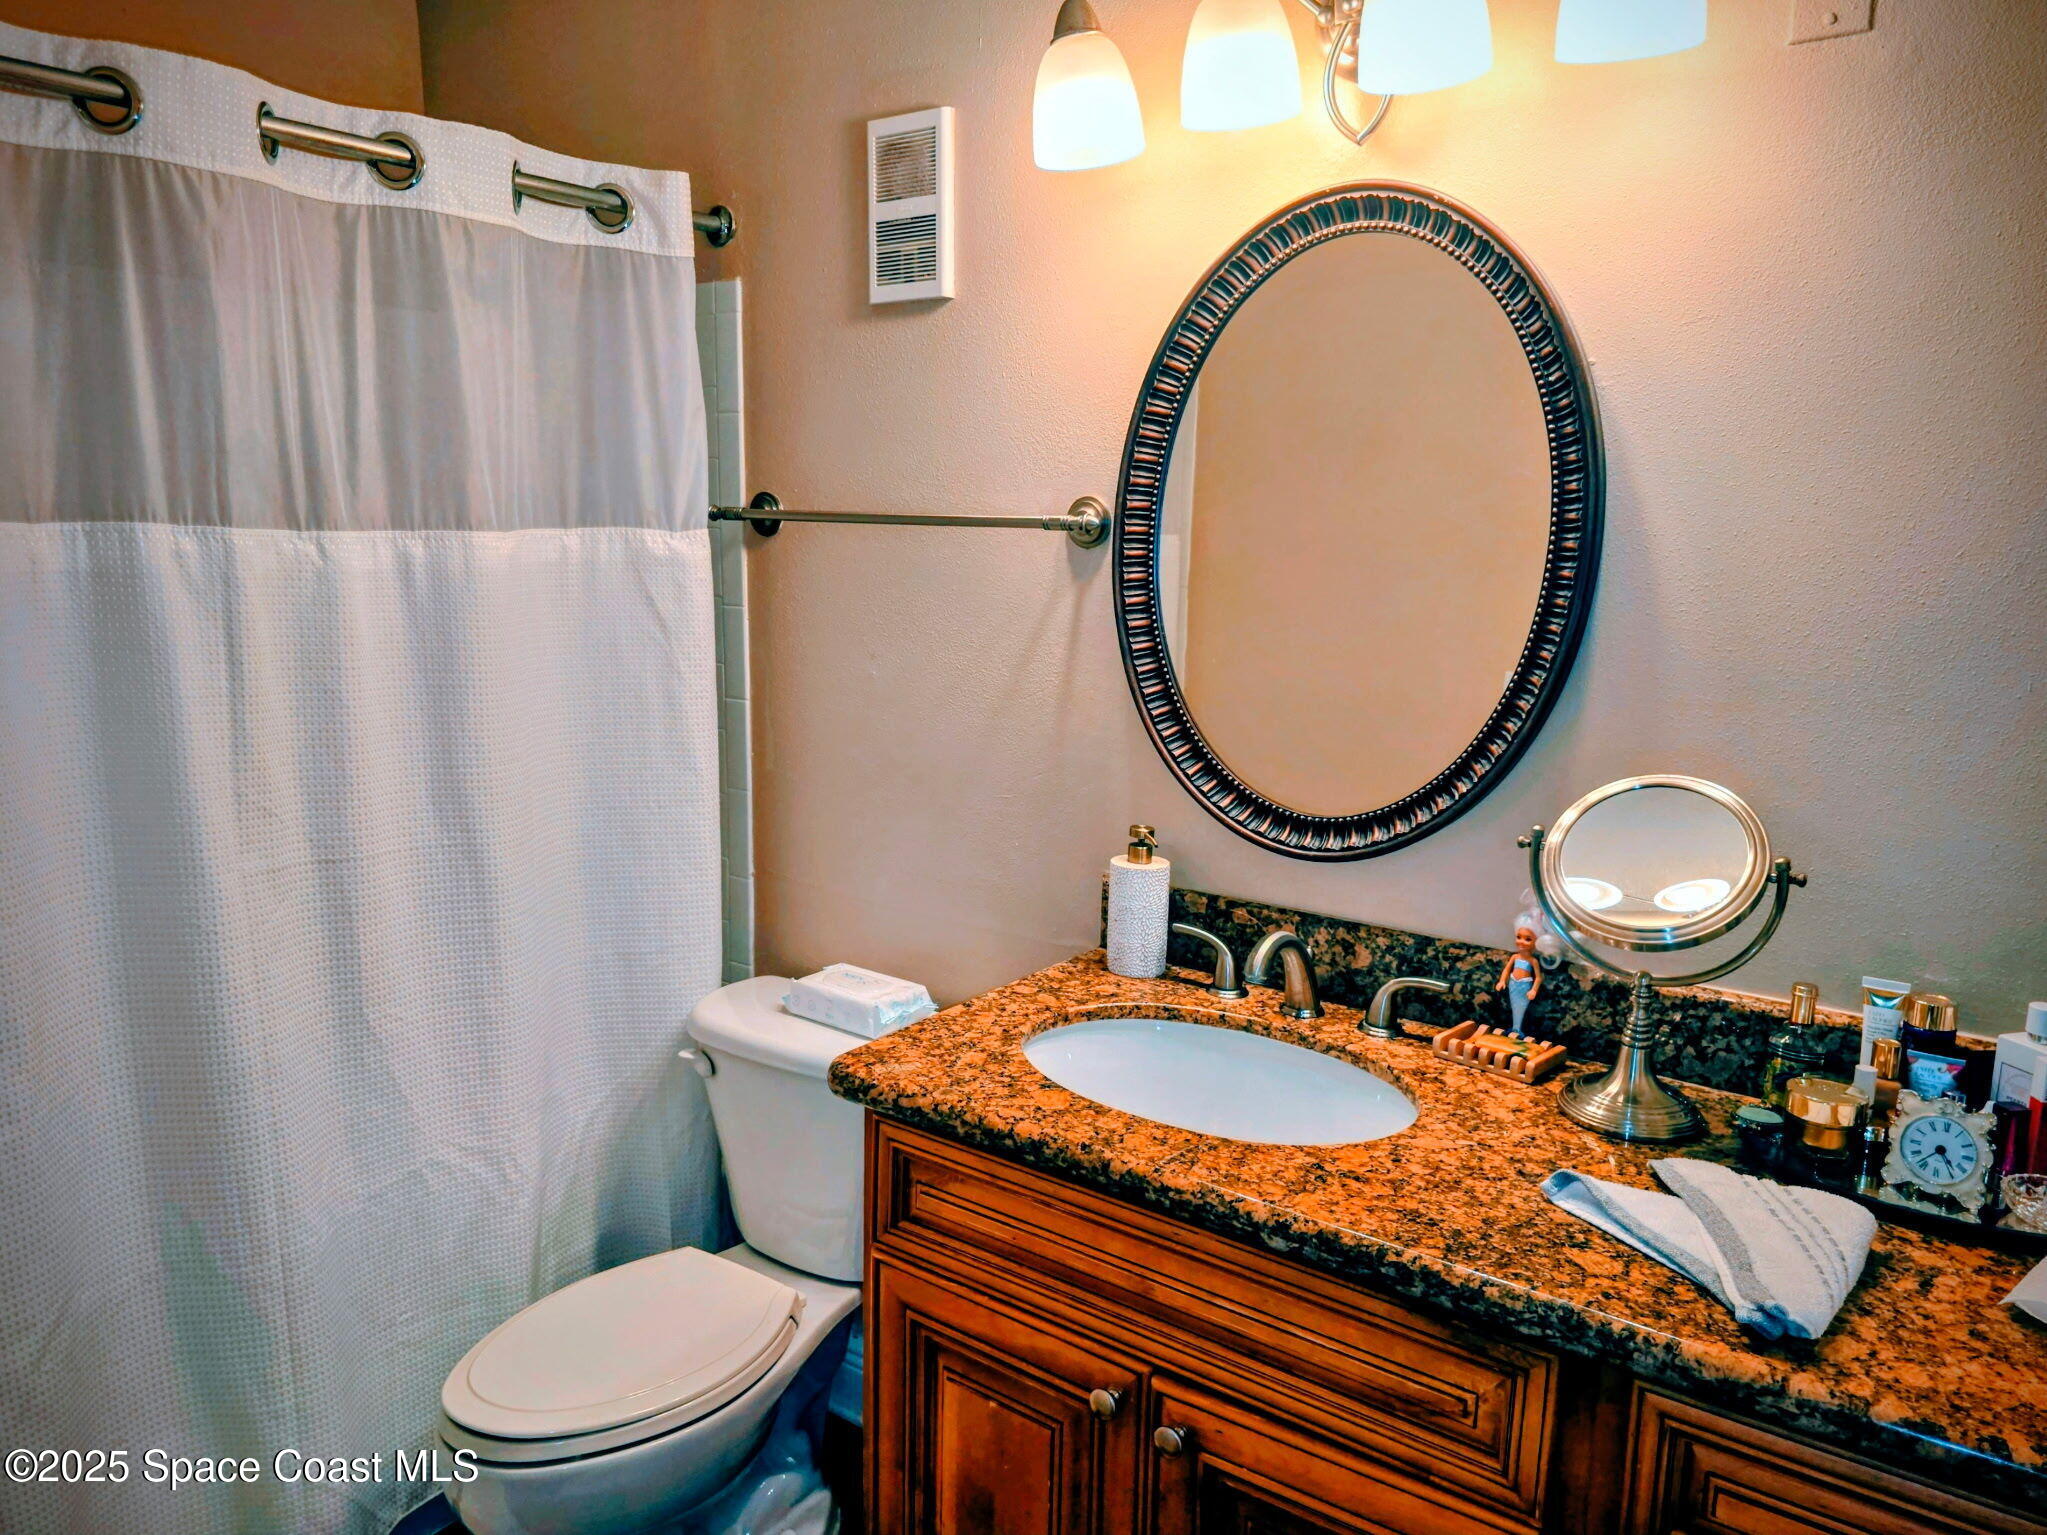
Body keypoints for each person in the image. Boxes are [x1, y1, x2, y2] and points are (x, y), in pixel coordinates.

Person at [1495, 925, 1543, 1038]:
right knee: (1514, 1005)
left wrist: (1533, 990)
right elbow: (1507, 969)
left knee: (1521, 1006)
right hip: (1513, 983)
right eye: (1518, 937)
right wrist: (1502, 981)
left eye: (1528, 939)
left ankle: (1518, 1029)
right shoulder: (1515, 957)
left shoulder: (1533, 960)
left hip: (1525, 985)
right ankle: (1515, 1028)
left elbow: (1538, 977)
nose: (1521, 942)